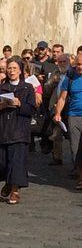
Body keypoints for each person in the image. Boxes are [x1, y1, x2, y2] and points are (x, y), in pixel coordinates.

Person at [0, 56, 37, 205]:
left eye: (14, 68)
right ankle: (9, 182)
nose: (11, 71)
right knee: (2, 161)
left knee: (17, 162)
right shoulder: (1, 88)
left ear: (20, 70)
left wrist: (19, 104)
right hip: (3, 129)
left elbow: (31, 109)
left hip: (19, 130)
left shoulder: (27, 88)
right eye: (9, 68)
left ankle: (15, 191)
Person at [53, 53, 82, 187]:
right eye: (78, 64)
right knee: (75, 148)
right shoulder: (70, 76)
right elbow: (63, 98)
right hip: (74, 116)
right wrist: (58, 112)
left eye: (81, 65)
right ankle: (81, 177)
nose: (79, 67)